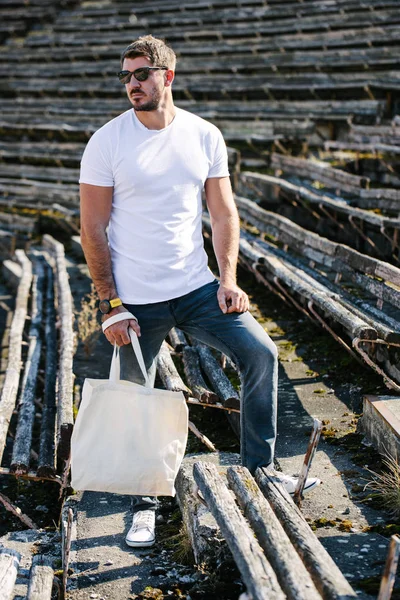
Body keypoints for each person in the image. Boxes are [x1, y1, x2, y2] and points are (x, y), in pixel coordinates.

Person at [79, 35, 320, 549]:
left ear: (167, 76)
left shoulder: (204, 134)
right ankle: (143, 502)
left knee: (260, 353)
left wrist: (229, 280)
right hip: (135, 299)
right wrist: (111, 305)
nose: (131, 85)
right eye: (124, 76)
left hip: (195, 287)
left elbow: (223, 213)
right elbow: (92, 229)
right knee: (135, 396)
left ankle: (262, 468)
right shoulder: (107, 142)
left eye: (140, 74)